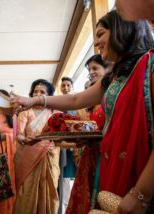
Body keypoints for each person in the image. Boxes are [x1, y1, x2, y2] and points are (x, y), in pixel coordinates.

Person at [11, 10, 154, 213]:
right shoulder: (117, 77)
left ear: (122, 30)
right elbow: (76, 99)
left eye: (101, 34)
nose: (97, 43)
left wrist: (141, 194)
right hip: (117, 170)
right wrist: (34, 100)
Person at [66, 54, 109, 214]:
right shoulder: (91, 100)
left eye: (95, 68)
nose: (91, 72)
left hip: (107, 155)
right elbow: (75, 101)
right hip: (90, 154)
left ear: (108, 69)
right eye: (89, 69)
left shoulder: (112, 94)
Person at [13, 79, 60, 214]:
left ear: (48, 96)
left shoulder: (55, 113)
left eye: (42, 92)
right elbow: (20, 134)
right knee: (26, 190)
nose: (38, 94)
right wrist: (24, 139)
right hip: (28, 156)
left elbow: (59, 136)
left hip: (49, 157)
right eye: (35, 92)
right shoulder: (25, 111)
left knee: (48, 190)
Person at [58, 76, 78, 214]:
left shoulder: (78, 105)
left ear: (72, 87)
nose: (66, 88)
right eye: (63, 85)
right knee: (63, 180)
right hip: (60, 149)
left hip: (75, 148)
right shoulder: (57, 104)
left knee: (76, 178)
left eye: (68, 85)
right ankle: (64, 208)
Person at [0, 89, 16, 214]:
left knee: (8, 185)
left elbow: (17, 135)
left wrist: (7, 136)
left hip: (9, 155)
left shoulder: (12, 116)